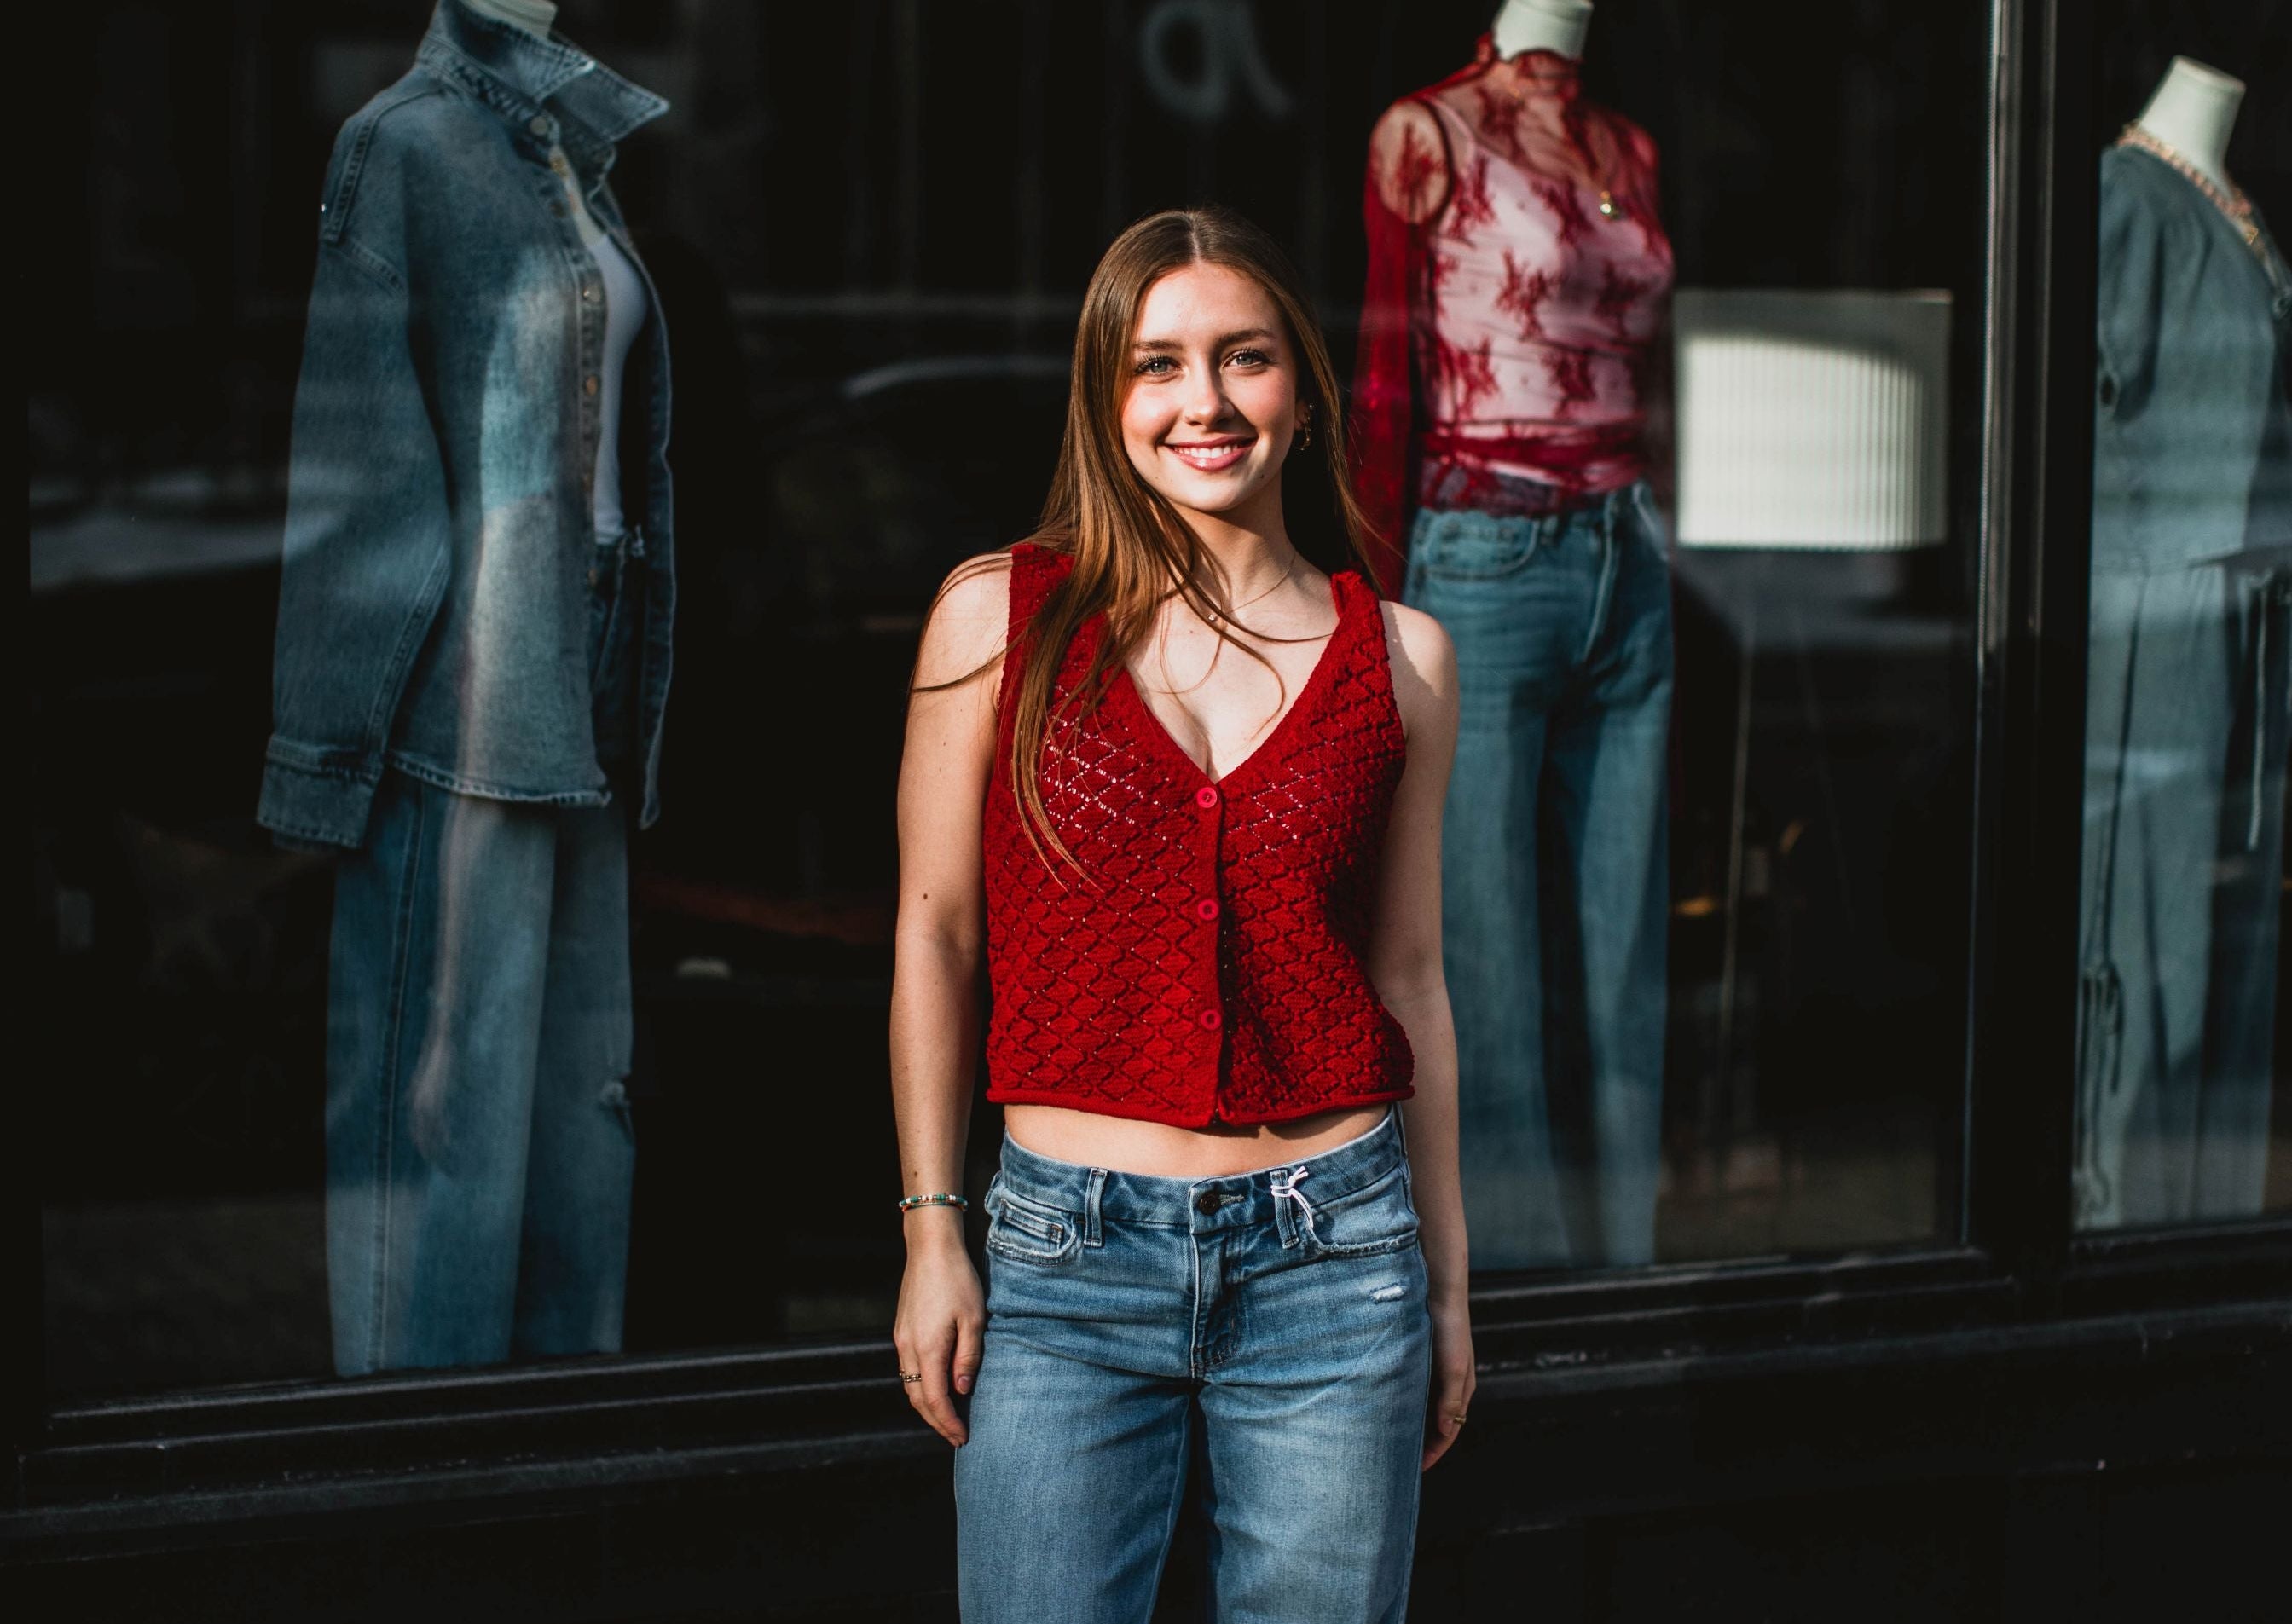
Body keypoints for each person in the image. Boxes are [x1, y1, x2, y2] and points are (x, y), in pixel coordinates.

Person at [888, 205, 1472, 1624]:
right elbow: (936, 935)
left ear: (1303, 389)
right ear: (1107, 396)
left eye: (1244, 357)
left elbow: (1409, 975)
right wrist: (933, 1231)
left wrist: (1449, 1286)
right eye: (1158, 365)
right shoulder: (998, 619)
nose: (1202, 401)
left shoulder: (1400, 658)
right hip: (1063, 1263)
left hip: (1336, 1259)